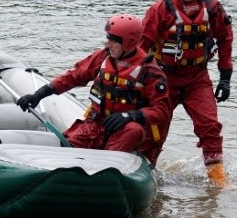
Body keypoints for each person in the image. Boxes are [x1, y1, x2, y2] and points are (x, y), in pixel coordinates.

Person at [17, 14, 170, 159]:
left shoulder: (149, 70)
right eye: (107, 38)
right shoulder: (103, 57)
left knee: (133, 130)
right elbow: (73, 76)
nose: (108, 44)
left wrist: (130, 116)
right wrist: (38, 95)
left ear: (128, 43)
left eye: (113, 40)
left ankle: (111, 164)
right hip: (97, 124)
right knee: (64, 148)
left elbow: (162, 110)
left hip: (127, 129)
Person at [141, 0, 233, 186]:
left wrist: (225, 78)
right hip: (164, 78)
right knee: (154, 130)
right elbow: (142, 46)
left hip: (197, 78)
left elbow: (225, 40)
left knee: (209, 125)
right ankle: (145, 172)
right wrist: (136, 80)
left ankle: (218, 179)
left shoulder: (212, 9)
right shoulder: (160, 9)